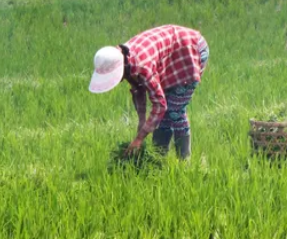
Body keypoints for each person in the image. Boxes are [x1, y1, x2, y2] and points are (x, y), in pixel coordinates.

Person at [89, 25, 209, 159]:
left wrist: (139, 138)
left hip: (191, 50)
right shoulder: (125, 60)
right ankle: (159, 158)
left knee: (175, 110)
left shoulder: (141, 66)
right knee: (164, 114)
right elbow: (138, 88)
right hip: (172, 55)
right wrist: (142, 121)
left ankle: (184, 161)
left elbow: (160, 105)